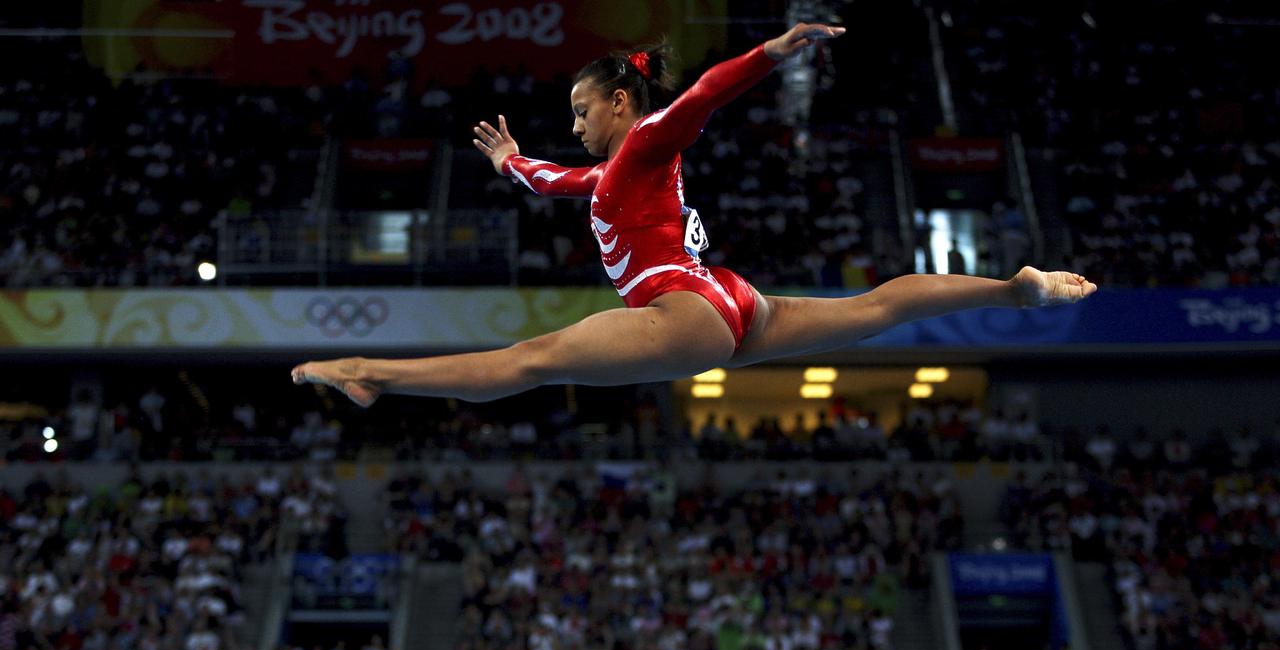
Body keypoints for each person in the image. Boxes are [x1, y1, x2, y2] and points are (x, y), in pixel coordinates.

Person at [292, 23, 1096, 407]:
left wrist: (770, 56)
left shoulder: (644, 139)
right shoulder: (615, 173)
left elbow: (704, 94)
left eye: (580, 110)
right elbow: (556, 180)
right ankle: (1013, 290)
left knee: (532, 359)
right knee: (874, 308)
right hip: (729, 302)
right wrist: (510, 164)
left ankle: (372, 373)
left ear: (618, 100)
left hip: (683, 307)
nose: (575, 125)